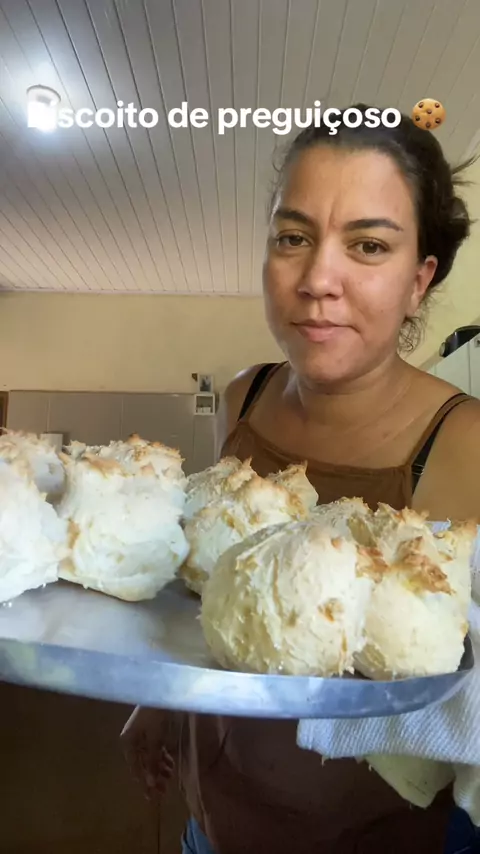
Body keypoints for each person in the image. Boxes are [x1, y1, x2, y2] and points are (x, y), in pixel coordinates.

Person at [121, 105, 480, 853]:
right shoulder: (243, 395)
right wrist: (155, 697)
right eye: (293, 237)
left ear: (419, 281)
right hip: (209, 823)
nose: (318, 279)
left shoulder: (463, 442)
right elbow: (206, 589)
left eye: (368, 245)